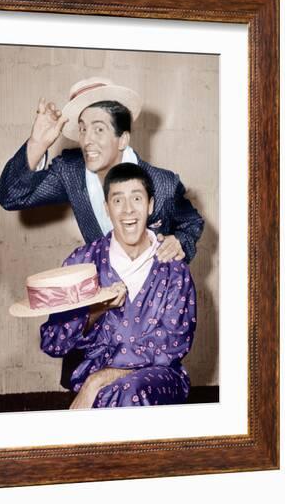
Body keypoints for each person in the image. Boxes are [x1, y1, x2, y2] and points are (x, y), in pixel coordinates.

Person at [40, 163, 197, 409]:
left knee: (128, 390)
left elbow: (172, 347)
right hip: (93, 386)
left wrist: (99, 379)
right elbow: (53, 341)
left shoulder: (174, 268)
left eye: (136, 198)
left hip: (157, 382)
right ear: (106, 209)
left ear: (150, 205)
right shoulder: (82, 261)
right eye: (117, 201)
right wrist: (94, 312)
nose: (128, 211)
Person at [0, 76, 204, 264]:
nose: (87, 140)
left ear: (122, 138)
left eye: (98, 129)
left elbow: (192, 223)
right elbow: (11, 197)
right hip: (106, 296)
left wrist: (180, 241)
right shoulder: (70, 172)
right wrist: (37, 143)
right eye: (82, 129)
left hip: (157, 298)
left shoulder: (163, 184)